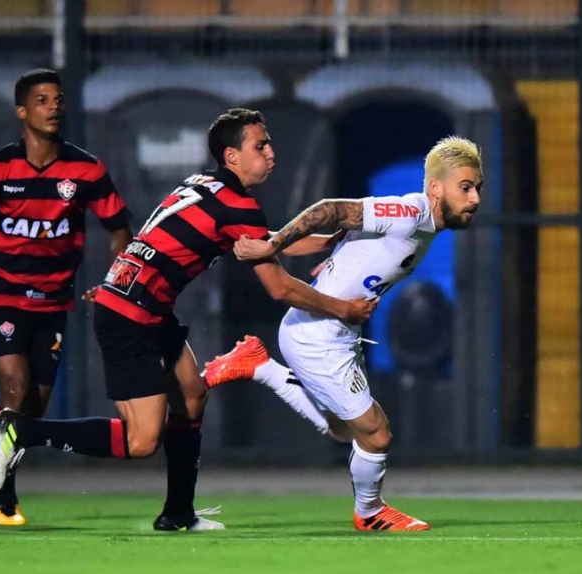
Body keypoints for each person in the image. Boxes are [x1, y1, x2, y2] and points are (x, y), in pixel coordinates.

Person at [0, 108, 376, 531]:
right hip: (130, 315)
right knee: (142, 441)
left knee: (191, 396)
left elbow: (262, 244)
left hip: (142, 305)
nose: (271, 152)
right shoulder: (237, 205)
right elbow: (279, 287)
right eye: (260, 145)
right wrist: (343, 309)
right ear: (232, 156)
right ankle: (24, 431)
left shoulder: (206, 185)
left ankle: (177, 515)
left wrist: (329, 239)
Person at [204, 136, 484, 532]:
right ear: (436, 188)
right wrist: (272, 245)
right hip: (318, 335)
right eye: (466, 187)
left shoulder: (426, 225)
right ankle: (370, 511)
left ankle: (260, 366)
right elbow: (329, 210)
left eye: (478, 188)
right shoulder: (409, 211)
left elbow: (355, 240)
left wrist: (339, 258)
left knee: (343, 429)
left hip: (334, 333)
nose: (474, 198)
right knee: (376, 434)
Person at [0, 69, 133, 526]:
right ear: (22, 112)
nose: (54, 107)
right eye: (43, 100)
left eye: (58, 99)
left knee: (27, 413)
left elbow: (119, 228)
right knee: (16, 388)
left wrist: (117, 276)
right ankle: (6, 501)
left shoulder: (87, 169)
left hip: (53, 300)